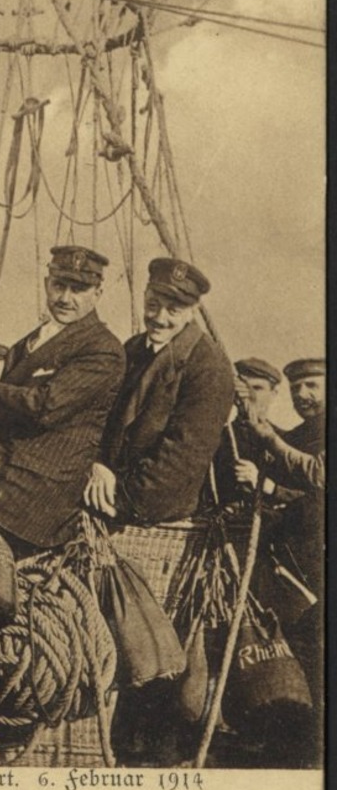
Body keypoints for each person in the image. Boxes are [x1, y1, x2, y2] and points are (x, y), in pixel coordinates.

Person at [0, 246, 126, 552]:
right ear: (47, 283)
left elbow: (45, 406)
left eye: (78, 289)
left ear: (98, 292)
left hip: (45, 480)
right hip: (20, 459)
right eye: (59, 285)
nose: (65, 298)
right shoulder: (38, 337)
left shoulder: (102, 349)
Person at [86, 257, 234, 525]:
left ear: (193, 310)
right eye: (152, 305)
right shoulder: (131, 350)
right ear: (144, 297)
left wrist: (117, 498)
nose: (158, 318)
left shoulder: (209, 367)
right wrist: (96, 467)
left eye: (173, 310)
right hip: (103, 484)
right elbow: (99, 419)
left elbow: (181, 460)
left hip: (148, 508)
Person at [239, 357, 325, 745]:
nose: (303, 395)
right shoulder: (302, 434)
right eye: (297, 388)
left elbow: (315, 490)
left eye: (313, 385)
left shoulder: (303, 438)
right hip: (292, 558)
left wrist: (268, 487)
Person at [212, 357, 283, 510]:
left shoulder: (286, 441)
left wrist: (264, 483)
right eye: (243, 388)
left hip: (271, 529)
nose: (249, 395)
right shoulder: (215, 438)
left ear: (274, 393)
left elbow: (310, 497)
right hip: (222, 526)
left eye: (257, 388)